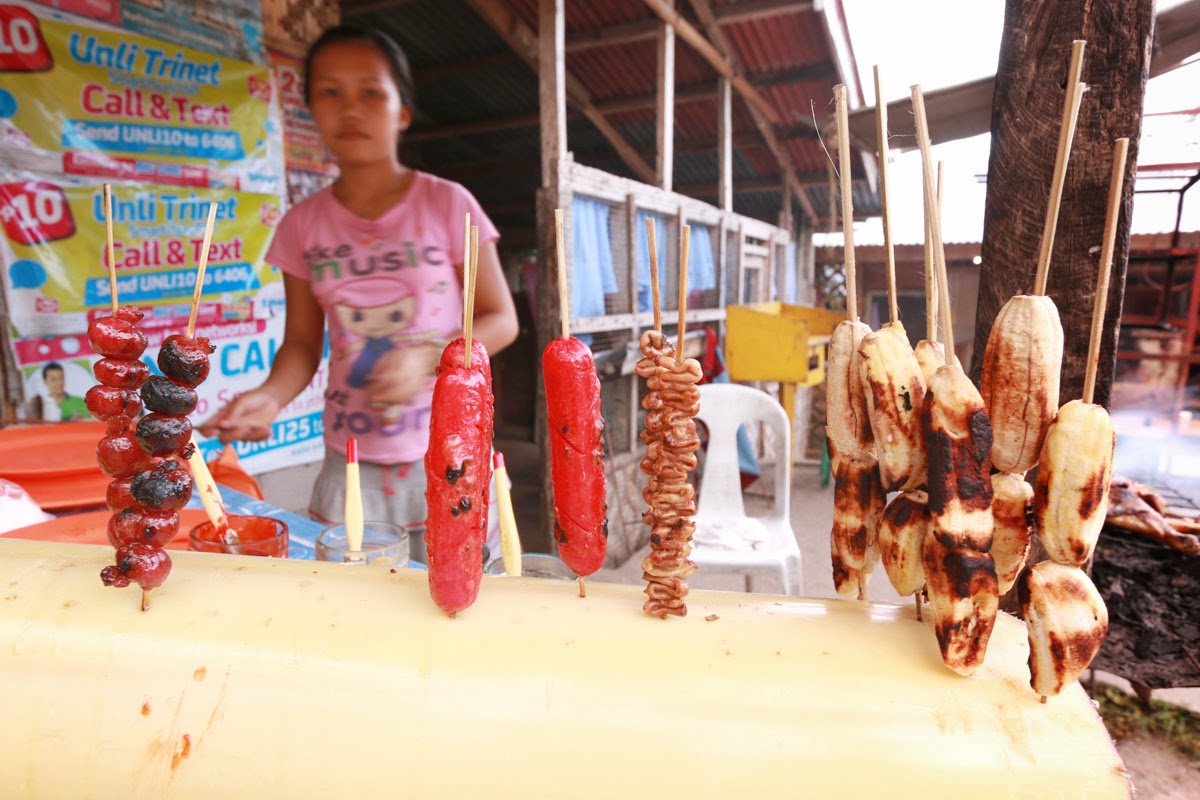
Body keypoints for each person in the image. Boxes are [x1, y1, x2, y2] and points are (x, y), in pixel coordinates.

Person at [199, 25, 518, 544]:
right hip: (348, 463)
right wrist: (269, 399)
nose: (351, 108)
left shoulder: (449, 204)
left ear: (403, 111)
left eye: (371, 92)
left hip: (449, 451)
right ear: (309, 109)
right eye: (330, 91)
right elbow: (302, 344)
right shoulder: (302, 226)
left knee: (456, 601)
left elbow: (502, 319)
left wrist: (433, 354)